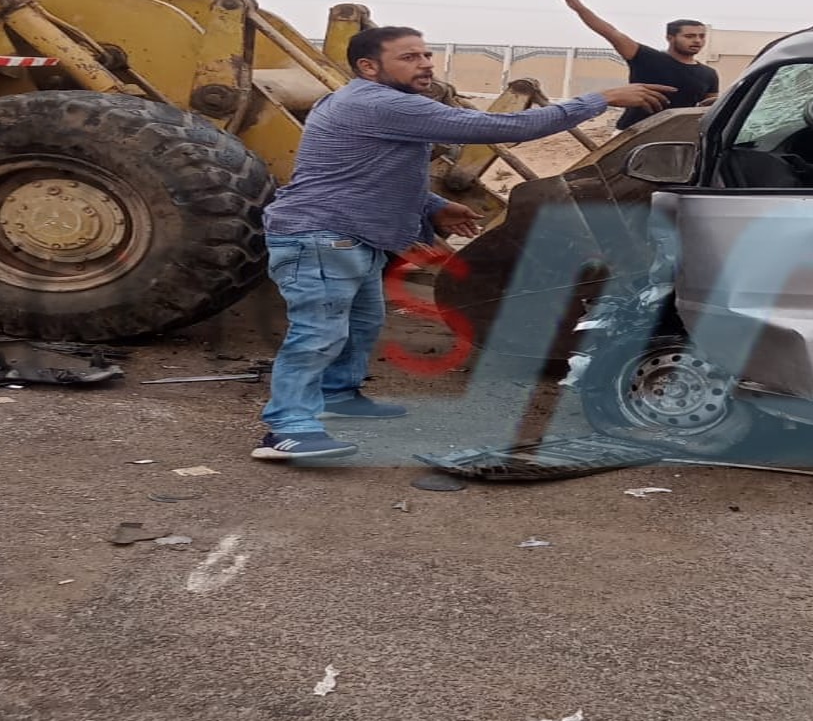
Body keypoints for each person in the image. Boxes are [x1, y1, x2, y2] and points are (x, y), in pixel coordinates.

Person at [254, 25, 673, 464]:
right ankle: (287, 428)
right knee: (319, 333)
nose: (425, 64)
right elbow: (498, 126)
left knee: (361, 324)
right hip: (321, 236)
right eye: (409, 57)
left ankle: (337, 395)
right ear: (368, 67)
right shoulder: (378, 102)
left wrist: (433, 205)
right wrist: (599, 99)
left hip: (350, 236)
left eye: (426, 55)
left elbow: (362, 172)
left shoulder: (373, 102)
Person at [557, 0, 717, 128]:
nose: (697, 40)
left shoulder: (709, 74)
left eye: (701, 36)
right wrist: (580, 9)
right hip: (633, 133)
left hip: (675, 138)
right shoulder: (647, 58)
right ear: (670, 38)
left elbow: (710, 107)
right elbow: (611, 32)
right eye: (689, 36)